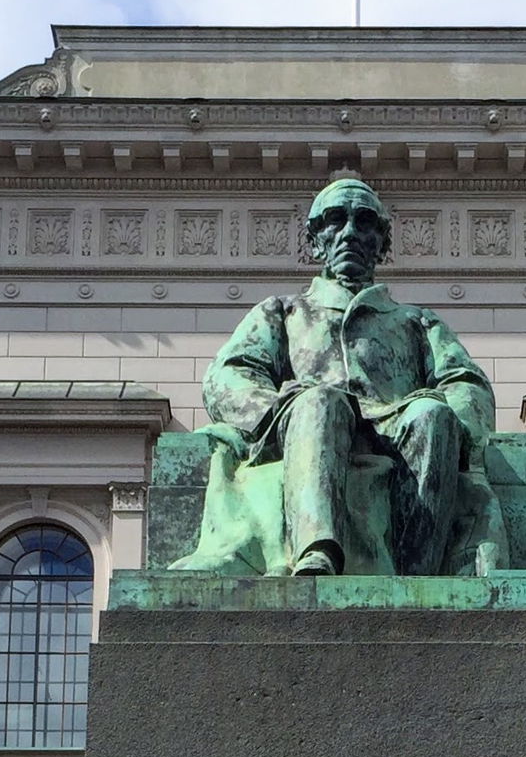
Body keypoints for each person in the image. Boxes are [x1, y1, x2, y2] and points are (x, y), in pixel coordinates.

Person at [180, 177, 500, 576]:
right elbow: (228, 377)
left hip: (394, 428)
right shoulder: (283, 311)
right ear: (315, 241)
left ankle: (419, 576)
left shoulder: (415, 321)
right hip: (310, 426)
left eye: (364, 222)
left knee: (432, 416)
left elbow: (465, 383)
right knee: (320, 402)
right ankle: (316, 553)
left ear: (382, 244)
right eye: (335, 220)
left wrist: (457, 427)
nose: (350, 232)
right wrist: (281, 408)